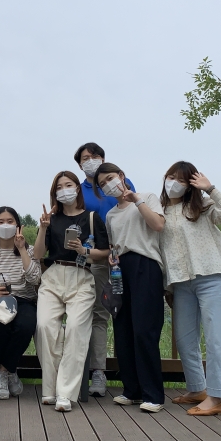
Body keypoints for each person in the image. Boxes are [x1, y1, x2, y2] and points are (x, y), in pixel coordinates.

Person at [159, 161, 221, 416]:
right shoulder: (160, 211)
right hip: (180, 283)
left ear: (191, 185)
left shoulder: (203, 206)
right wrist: (167, 287)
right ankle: (197, 389)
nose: (174, 183)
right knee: (185, 340)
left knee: (217, 339)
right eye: (171, 177)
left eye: (181, 180)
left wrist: (211, 188)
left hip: (212, 277)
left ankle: (217, 397)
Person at [33, 171, 109, 412]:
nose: (64, 190)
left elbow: (105, 252)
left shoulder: (92, 217)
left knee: (76, 329)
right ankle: (50, 389)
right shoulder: (51, 219)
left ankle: (65, 393)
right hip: (53, 275)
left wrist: (84, 251)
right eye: (59, 187)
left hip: (81, 275)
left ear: (77, 188)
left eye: (68, 185)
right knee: (44, 326)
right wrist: (43, 228)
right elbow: (37, 254)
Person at [94, 163, 165, 413]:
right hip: (120, 268)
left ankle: (153, 394)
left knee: (145, 329)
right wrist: (111, 258)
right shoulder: (111, 215)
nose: (108, 185)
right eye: (102, 184)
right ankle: (132, 390)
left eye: (110, 178)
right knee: (123, 328)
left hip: (145, 264)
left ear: (121, 176)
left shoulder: (147, 197)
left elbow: (158, 225)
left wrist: (137, 200)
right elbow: (113, 245)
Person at [73, 142, 136, 397]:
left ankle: (130, 376)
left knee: (122, 316)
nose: (91, 160)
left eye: (95, 156)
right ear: (80, 165)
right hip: (94, 259)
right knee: (94, 315)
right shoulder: (78, 191)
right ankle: (93, 372)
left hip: (125, 259)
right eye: (85, 158)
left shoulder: (123, 184)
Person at [0, 206, 41, 400]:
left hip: (24, 300)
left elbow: (35, 279)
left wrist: (21, 249)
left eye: (10, 221)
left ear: (18, 225)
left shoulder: (28, 250)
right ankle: (10, 372)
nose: (5, 225)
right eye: (1, 222)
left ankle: (2, 371)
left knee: (25, 326)